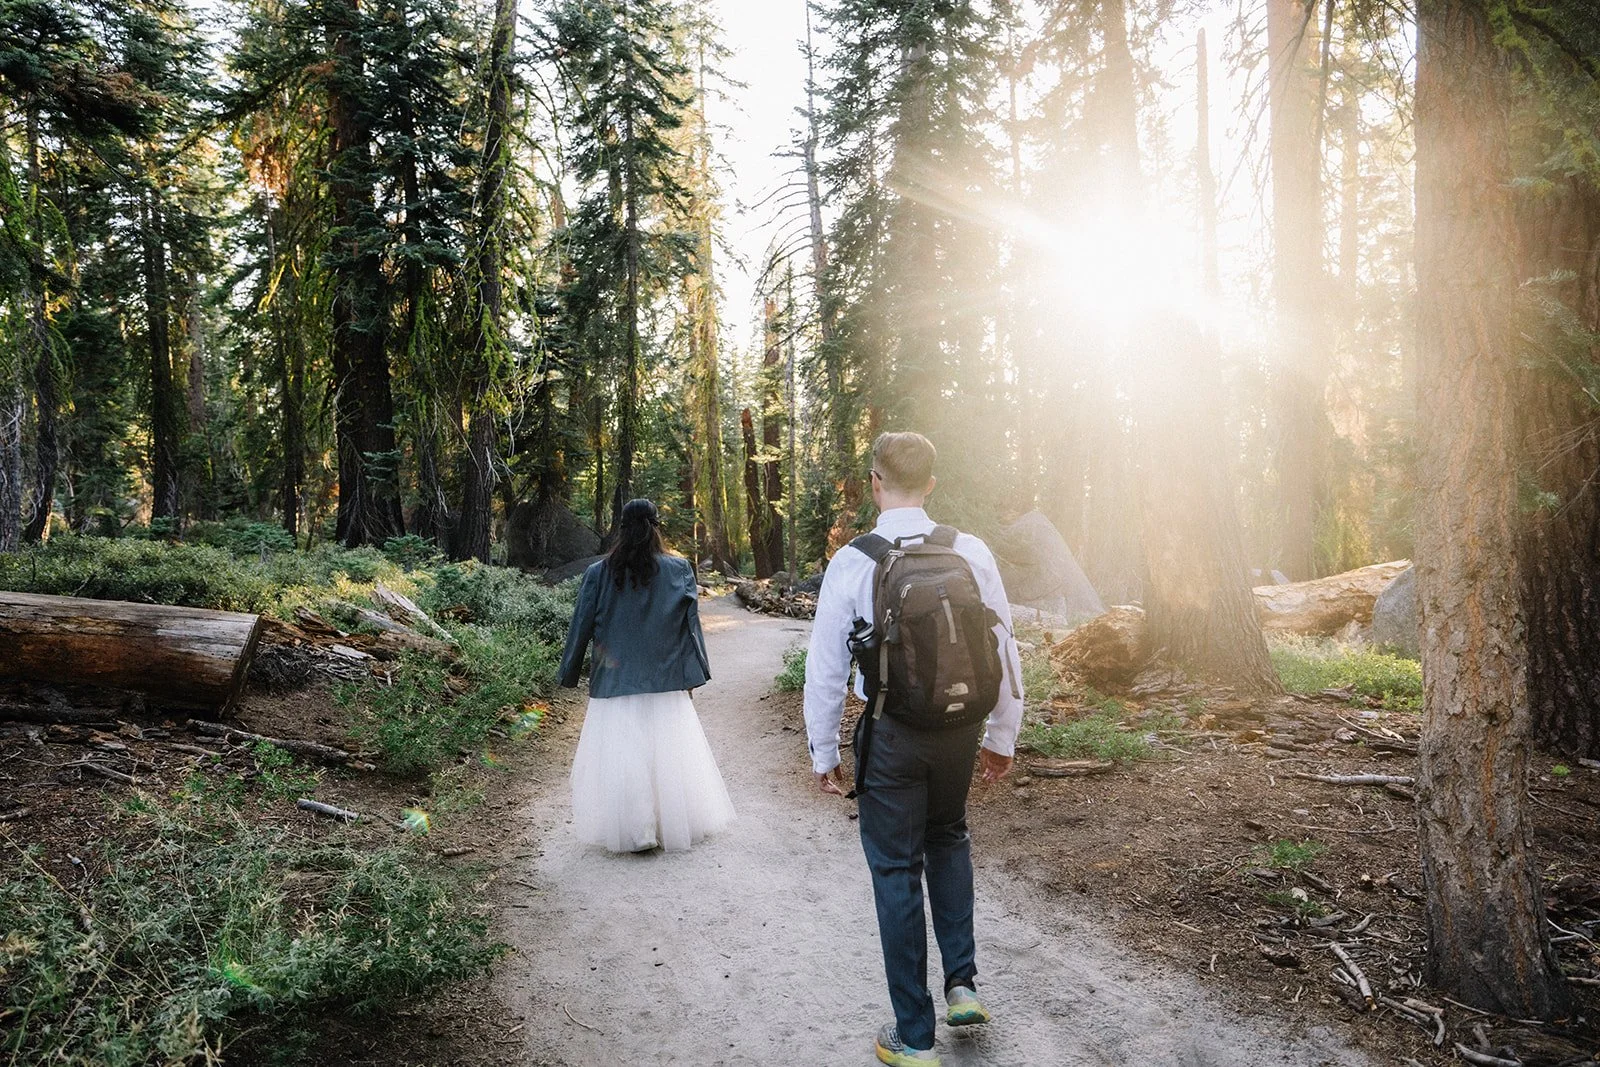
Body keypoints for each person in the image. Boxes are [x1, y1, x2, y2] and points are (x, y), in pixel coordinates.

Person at [803, 432, 1024, 1067]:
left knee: (897, 869)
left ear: (875, 482)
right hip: (959, 732)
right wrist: (1002, 737)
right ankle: (962, 986)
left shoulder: (855, 560)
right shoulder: (970, 550)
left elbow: (824, 669)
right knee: (948, 835)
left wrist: (825, 752)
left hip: (892, 733)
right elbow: (1003, 649)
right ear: (931, 483)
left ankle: (915, 1037)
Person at [558, 498, 735, 853]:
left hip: (615, 683)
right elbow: (690, 629)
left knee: (626, 755)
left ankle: (639, 832)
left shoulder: (598, 574)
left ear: (622, 529)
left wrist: (569, 673)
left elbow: (581, 626)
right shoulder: (680, 569)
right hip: (665, 678)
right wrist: (694, 674)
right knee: (667, 752)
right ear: (656, 528)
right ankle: (670, 822)